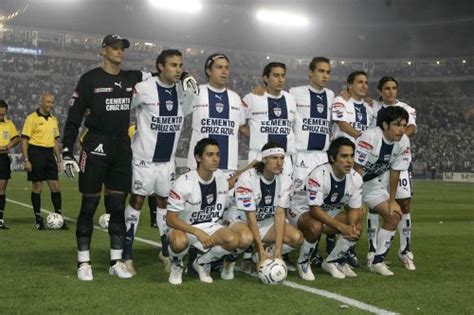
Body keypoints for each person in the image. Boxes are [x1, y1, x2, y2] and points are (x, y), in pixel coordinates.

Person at [62, 34, 151, 281]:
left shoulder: (131, 77)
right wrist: (67, 151)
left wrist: (184, 76)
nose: (120, 52)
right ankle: (83, 263)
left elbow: (161, 75)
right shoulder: (89, 80)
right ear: (103, 51)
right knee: (89, 206)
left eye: (122, 48)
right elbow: (73, 118)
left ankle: (116, 261)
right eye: (115, 48)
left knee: (116, 209)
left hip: (122, 147)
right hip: (96, 145)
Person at [122, 49, 198, 275]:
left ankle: (165, 251)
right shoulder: (145, 88)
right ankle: (127, 254)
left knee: (164, 206)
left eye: (180, 65)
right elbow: (124, 106)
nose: (178, 69)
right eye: (173, 65)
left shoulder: (183, 92)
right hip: (143, 160)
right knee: (136, 202)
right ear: (160, 67)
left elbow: (186, 112)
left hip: (167, 163)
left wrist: (192, 91)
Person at [185, 53, 252, 276]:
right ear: (208, 70)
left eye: (227, 67)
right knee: (198, 212)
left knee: (223, 214)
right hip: (199, 169)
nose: (224, 71)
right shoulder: (197, 93)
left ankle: (216, 257)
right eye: (219, 67)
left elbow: (245, 128)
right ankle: (189, 255)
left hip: (228, 168)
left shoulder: (235, 99)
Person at [166, 138, 241, 285]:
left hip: (210, 227)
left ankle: (202, 262)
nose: (215, 159)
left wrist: (250, 167)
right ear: (198, 158)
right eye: (210, 155)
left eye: (218, 155)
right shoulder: (184, 183)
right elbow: (170, 219)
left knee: (233, 241)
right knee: (178, 242)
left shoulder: (220, 177)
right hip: (184, 227)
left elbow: (230, 183)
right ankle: (177, 263)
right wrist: (196, 232)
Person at [289, 137, 363, 280]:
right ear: (332, 158)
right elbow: (315, 210)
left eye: (352, 156)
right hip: (301, 208)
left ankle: (332, 261)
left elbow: (354, 208)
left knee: (357, 225)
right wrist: (341, 227)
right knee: (315, 226)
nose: (349, 161)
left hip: (328, 210)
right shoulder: (319, 174)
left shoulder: (356, 178)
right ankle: (303, 262)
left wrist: (351, 227)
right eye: (344, 156)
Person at [289, 56, 336, 268]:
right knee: (294, 202)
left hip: (322, 156)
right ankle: (286, 247)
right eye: (320, 71)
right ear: (310, 73)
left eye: (327, 72)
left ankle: (313, 251)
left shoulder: (331, 95)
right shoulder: (295, 92)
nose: (325, 76)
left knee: (318, 203)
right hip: (301, 156)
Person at [353, 106, 411, 276]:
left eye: (404, 125)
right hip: (351, 183)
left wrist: (392, 200)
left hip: (371, 184)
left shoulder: (404, 141)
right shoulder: (370, 136)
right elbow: (357, 169)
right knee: (353, 221)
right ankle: (338, 258)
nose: (401, 129)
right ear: (385, 125)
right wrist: (355, 202)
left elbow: (395, 171)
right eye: (397, 125)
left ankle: (377, 261)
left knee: (394, 215)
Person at [368, 76, 417, 270]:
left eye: (394, 88)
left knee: (403, 204)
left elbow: (411, 128)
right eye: (386, 88)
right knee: (374, 205)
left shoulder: (406, 108)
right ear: (380, 91)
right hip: (377, 163)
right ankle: (372, 250)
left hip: (398, 160)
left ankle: (405, 251)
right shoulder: (371, 107)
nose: (390, 91)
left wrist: (399, 134)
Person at [234, 142, 303, 273]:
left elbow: (280, 215)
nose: (279, 162)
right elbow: (250, 217)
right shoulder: (247, 178)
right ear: (264, 160)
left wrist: (278, 250)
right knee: (245, 239)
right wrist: (260, 249)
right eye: (274, 158)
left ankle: (265, 254)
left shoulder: (285, 180)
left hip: (265, 221)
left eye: (282, 158)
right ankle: (230, 258)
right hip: (242, 220)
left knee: (296, 238)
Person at [21, 92, 66, 230]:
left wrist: (59, 160)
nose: (50, 105)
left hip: (49, 155)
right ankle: (38, 218)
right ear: (41, 102)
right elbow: (24, 140)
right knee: (38, 187)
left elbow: (55, 142)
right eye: (48, 102)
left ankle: (59, 217)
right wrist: (26, 159)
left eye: (52, 102)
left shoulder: (54, 120)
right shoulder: (31, 118)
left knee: (56, 187)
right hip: (35, 153)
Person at [128, 122, 157, 228]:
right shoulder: (130, 129)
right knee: (134, 192)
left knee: (153, 192)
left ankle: (154, 220)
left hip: (149, 162)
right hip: (134, 162)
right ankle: (127, 218)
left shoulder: (151, 129)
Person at [332, 71, 374, 142]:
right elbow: (342, 125)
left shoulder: (368, 108)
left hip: (361, 151)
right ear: (349, 85)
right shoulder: (340, 100)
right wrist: (363, 139)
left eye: (366, 83)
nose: (364, 86)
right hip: (342, 150)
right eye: (360, 82)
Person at [0, 100, 20, 229]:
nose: (1, 116)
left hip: (2, 158)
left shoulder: (9, 124)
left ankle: (0, 220)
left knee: (1, 190)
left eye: (3, 114)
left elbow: (17, 138)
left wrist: (7, 146)